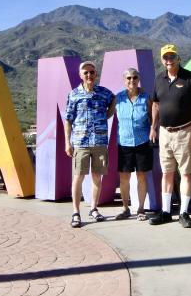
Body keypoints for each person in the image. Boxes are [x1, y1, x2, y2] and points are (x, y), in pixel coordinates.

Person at [149, 44, 191, 228]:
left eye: (172, 56)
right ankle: (165, 212)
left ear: (178, 58)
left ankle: (184, 212)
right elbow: (156, 105)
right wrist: (153, 127)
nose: (169, 60)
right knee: (167, 173)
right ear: (162, 60)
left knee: (186, 173)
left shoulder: (189, 78)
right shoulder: (159, 79)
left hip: (185, 132)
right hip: (165, 133)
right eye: (165, 57)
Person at [65, 61, 115, 228]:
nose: (89, 75)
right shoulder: (74, 95)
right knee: (78, 177)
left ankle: (93, 208)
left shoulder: (104, 93)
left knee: (97, 177)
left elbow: (114, 100)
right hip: (80, 142)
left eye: (92, 72)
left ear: (96, 74)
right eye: (85, 72)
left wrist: (105, 116)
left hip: (100, 141)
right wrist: (67, 142)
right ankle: (76, 212)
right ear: (81, 75)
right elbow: (68, 119)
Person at [114, 68, 153, 221]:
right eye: (129, 78)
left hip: (143, 142)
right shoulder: (118, 98)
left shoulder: (146, 98)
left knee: (141, 177)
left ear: (138, 79)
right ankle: (125, 208)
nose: (132, 80)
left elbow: (153, 117)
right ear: (124, 80)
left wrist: (153, 131)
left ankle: (141, 209)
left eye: (134, 77)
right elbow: (108, 113)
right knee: (124, 178)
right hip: (124, 143)